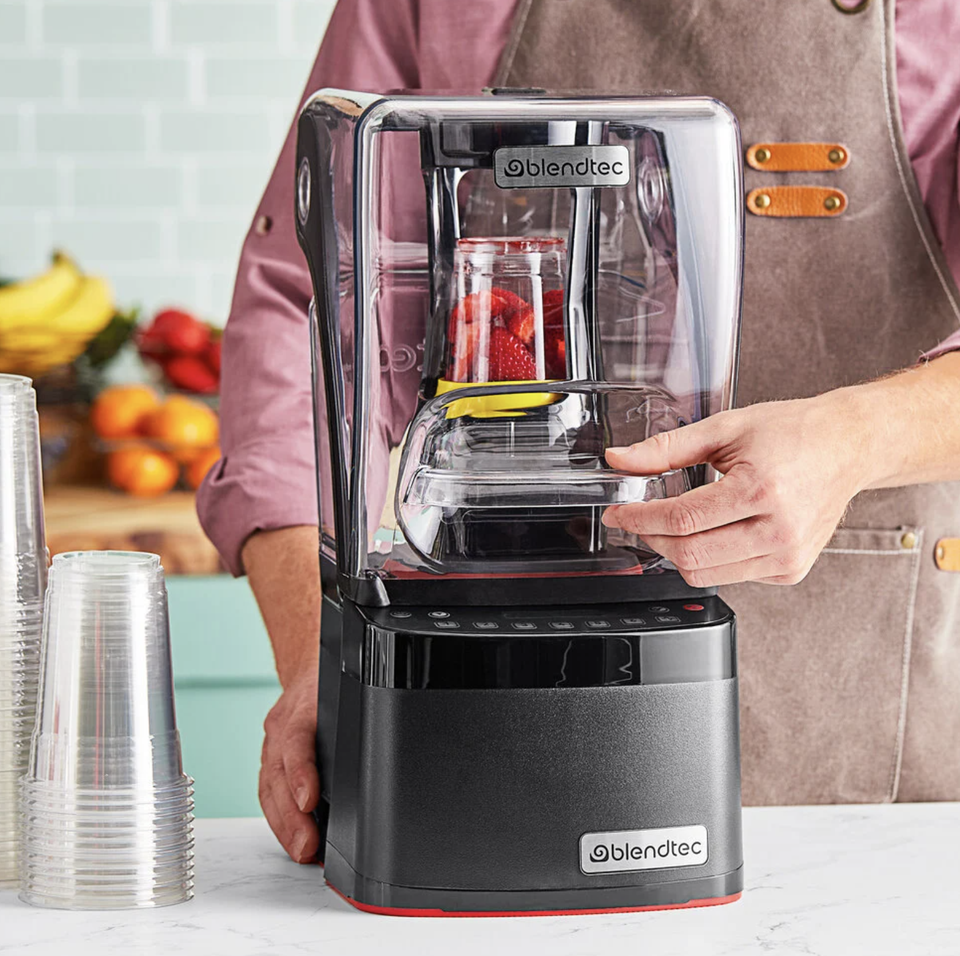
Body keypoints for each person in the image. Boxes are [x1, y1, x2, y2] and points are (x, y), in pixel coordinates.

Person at [197, 0, 960, 864]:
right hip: (474, 759)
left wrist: (852, 439)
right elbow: (303, 299)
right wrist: (321, 650)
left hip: (870, 766)